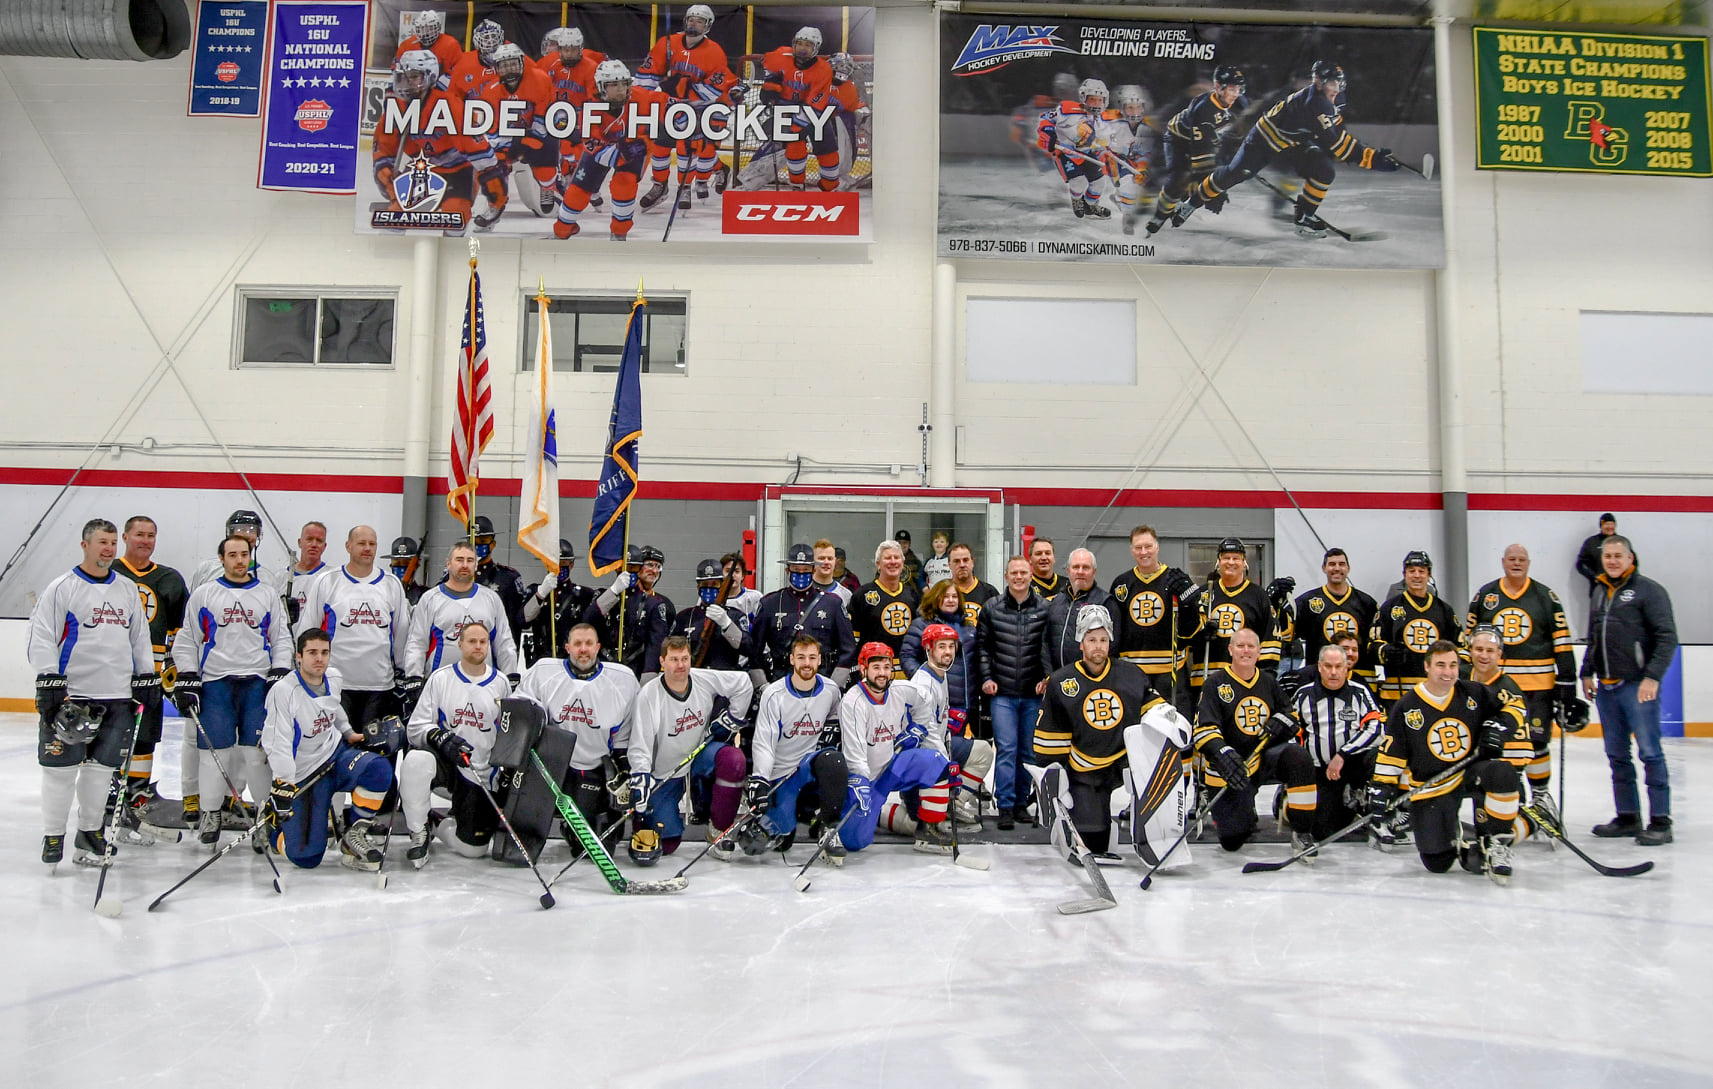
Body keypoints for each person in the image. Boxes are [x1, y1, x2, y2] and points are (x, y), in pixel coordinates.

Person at [28, 518, 157, 868]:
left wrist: (146, 677)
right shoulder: (63, 588)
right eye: (102, 542)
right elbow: (42, 636)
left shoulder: (127, 589)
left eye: (113, 542)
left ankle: (90, 834)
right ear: (84, 545)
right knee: (61, 770)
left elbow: (139, 637)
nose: (109, 549)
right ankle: (54, 835)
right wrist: (49, 680)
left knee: (101, 771)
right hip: (73, 695)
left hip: (117, 695)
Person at [1185, 61, 1401, 238]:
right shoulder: (1293, 100)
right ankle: (1193, 201)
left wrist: (1369, 154)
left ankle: (1298, 214)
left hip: (1291, 146)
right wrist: (1227, 149)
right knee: (1238, 173)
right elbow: (1246, 121)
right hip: (1264, 144)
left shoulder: (1329, 100)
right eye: (1305, 79)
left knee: (1319, 169)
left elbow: (1337, 136)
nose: (1333, 89)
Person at [172, 533, 295, 844]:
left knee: (257, 755)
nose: (240, 560)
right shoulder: (204, 594)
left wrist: (280, 671)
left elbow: (281, 638)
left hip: (257, 684)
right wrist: (188, 677)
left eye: (245, 554)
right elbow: (187, 639)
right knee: (216, 754)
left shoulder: (267, 594)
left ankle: (262, 817)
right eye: (233, 555)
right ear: (222, 559)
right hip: (216, 684)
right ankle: (210, 812)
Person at [1372, 641, 1530, 882]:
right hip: (1432, 785)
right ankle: (1456, 836)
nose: (1448, 672)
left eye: (1453, 665)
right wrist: (1382, 787)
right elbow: (1392, 753)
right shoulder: (1406, 706)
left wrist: (1500, 726)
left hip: (1470, 771)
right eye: (1441, 665)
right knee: (1437, 862)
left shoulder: (1474, 692)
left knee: (1502, 772)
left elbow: (1515, 703)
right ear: (1427, 667)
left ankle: (1497, 842)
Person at [1033, 606, 1165, 857]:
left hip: (1125, 762)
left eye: (1103, 640)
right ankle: (1073, 820)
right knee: (1095, 841)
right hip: (1085, 770)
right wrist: (1057, 780)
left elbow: (1155, 710)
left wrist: (1171, 718)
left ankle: (1157, 835)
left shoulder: (1131, 674)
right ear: (1081, 643)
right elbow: (1049, 739)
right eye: (1092, 640)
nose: (1098, 646)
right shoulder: (1062, 682)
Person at [259, 630, 394, 872]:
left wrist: (348, 732)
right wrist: (284, 784)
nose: (319, 659)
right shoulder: (284, 692)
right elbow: (277, 743)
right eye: (312, 653)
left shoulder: (333, 677)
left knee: (378, 767)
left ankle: (355, 836)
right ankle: (269, 828)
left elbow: (334, 706)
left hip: (335, 755)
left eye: (324, 652)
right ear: (298, 656)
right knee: (306, 857)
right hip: (303, 775)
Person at [1582, 535, 1677, 846]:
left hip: (1637, 687)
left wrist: (1652, 677)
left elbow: (1666, 637)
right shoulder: (1598, 591)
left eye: (1617, 555)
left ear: (1629, 557)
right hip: (1607, 689)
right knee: (1617, 755)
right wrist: (1586, 672)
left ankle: (1661, 821)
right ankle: (1628, 817)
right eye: (1607, 555)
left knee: (1650, 753)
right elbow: (1593, 637)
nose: (1611, 560)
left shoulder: (1649, 591)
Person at [1464, 544, 1577, 805]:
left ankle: (1540, 798)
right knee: (1498, 743)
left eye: (1521, 559)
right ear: (1503, 562)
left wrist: (1567, 680)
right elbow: (1467, 640)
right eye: (1512, 559)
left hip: (1537, 688)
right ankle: (1504, 793)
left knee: (1536, 744)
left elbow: (1562, 641)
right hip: (1494, 688)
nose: (1517, 563)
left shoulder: (1545, 597)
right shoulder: (1486, 595)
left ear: (1529, 563)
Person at [1192, 629, 1317, 858]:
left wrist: (1281, 722)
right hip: (1229, 770)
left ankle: (1302, 830)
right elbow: (1203, 731)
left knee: (1298, 757)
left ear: (1259, 652)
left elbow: (1292, 715)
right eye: (1240, 646)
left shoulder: (1268, 681)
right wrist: (1223, 755)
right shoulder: (1215, 683)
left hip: (1261, 760)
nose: (1246, 651)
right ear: (1230, 650)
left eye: (1251, 646)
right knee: (1233, 840)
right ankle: (1242, 809)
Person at [626, 636, 753, 864]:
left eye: (685, 658)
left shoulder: (701, 679)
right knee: (668, 845)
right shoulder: (649, 695)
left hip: (698, 758)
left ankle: (718, 830)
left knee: (733, 760)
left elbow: (743, 683)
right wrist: (640, 777)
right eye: (674, 660)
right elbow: (640, 745)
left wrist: (733, 718)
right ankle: (644, 818)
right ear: (662, 662)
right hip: (665, 775)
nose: (681, 665)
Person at [400, 622, 512, 868]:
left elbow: (509, 734)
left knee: (474, 850)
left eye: (483, 641)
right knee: (416, 760)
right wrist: (440, 737)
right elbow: (415, 728)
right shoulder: (441, 679)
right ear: (460, 644)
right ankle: (418, 832)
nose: (478, 646)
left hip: (480, 773)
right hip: (448, 766)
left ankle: (437, 824)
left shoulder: (501, 684)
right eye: (472, 641)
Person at [514, 623, 640, 836]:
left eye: (589, 643)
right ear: (567, 647)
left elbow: (627, 730)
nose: (583, 649)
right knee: (526, 831)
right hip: (552, 765)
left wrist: (624, 765)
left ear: (598, 647)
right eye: (578, 644)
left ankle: (573, 827)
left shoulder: (623, 680)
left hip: (593, 767)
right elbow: (520, 706)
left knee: (596, 841)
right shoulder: (544, 671)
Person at [837, 643, 957, 856]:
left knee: (937, 762)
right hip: (868, 779)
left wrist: (918, 728)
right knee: (855, 841)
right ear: (863, 669)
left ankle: (928, 829)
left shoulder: (901, 690)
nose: (883, 673)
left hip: (893, 765)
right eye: (876, 668)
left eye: (887, 667)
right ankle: (880, 812)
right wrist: (862, 786)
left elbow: (925, 701)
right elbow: (854, 755)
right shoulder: (853, 702)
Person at [375, 49, 504, 236]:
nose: (407, 83)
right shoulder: (397, 107)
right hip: (424, 168)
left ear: (430, 77)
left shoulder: (450, 105)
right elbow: (384, 149)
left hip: (460, 170)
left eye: (414, 77)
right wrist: (386, 176)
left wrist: (494, 187)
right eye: (403, 77)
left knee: (455, 217)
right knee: (394, 219)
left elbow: (479, 152)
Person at [743, 635, 848, 862]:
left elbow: (834, 715)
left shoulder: (831, 690)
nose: (806, 663)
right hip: (782, 772)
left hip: (810, 764)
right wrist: (761, 778)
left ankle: (829, 828)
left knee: (834, 760)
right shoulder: (774, 694)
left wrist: (832, 727)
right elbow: (764, 742)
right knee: (781, 839)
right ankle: (792, 817)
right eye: (801, 657)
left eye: (812, 657)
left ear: (820, 660)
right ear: (792, 659)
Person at [114, 514, 187, 836]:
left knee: (145, 739)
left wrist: (175, 669)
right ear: (126, 537)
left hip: (151, 678)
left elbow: (180, 632)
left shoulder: (170, 579)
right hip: (111, 676)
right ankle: (109, 798)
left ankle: (137, 795)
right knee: (112, 739)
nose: (145, 540)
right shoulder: (109, 574)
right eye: (139, 534)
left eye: (151, 535)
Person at [297, 525, 412, 727]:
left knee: (373, 753)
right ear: (348, 546)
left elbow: (402, 635)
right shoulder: (326, 581)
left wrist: (405, 673)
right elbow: (307, 632)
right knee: (336, 750)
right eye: (361, 543)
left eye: (372, 544)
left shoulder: (391, 584)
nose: (367, 548)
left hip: (380, 686)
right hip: (336, 684)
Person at [552, 59, 671, 240]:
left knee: (624, 184)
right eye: (613, 84)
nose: (621, 89)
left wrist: (685, 119)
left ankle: (619, 233)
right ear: (601, 86)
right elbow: (595, 149)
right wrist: (622, 153)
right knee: (578, 191)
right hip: (608, 151)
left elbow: (676, 107)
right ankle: (562, 229)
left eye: (624, 83)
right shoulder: (590, 110)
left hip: (636, 147)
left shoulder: (643, 97)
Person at [636, 4, 736, 212]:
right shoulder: (667, 43)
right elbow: (647, 76)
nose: (693, 23)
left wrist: (683, 88)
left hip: (699, 108)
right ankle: (660, 185)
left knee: (688, 148)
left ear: (707, 26)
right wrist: (654, 94)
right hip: (670, 105)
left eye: (699, 21)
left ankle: (685, 187)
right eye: (691, 19)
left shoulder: (715, 52)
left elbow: (713, 90)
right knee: (661, 146)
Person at [403, 541, 521, 713]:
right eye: (459, 560)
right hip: (440, 686)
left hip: (484, 686)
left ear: (475, 564)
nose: (465, 565)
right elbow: (417, 642)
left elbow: (504, 642)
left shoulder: (491, 599)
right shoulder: (430, 599)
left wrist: (510, 674)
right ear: (448, 563)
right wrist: (413, 675)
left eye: (470, 560)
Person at [897, 623, 994, 831]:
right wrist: (946, 765)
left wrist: (947, 724)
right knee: (917, 824)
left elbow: (938, 725)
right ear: (928, 648)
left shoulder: (941, 673)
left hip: (936, 751)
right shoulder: (923, 684)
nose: (948, 652)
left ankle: (954, 805)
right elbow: (926, 735)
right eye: (941, 646)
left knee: (983, 751)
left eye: (951, 646)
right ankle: (881, 814)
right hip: (920, 761)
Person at [978, 556, 1049, 830]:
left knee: (1028, 751)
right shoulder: (992, 608)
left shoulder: (1044, 608)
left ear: (1031, 576)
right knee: (1006, 749)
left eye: (1023, 573)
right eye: (1014, 573)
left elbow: (1048, 647)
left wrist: (1047, 678)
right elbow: (983, 648)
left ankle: (1021, 804)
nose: (1019, 577)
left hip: (1033, 693)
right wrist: (986, 677)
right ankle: (1005, 805)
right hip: (1003, 694)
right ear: (1006, 576)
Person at [1292, 643, 1386, 840]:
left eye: (1338, 666)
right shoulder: (1303, 695)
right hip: (1320, 771)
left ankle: (1376, 807)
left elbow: (1376, 728)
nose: (1333, 672)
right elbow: (1291, 732)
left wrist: (1343, 754)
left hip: (1352, 764)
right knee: (1322, 831)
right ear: (1319, 667)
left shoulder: (1360, 692)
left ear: (1346, 667)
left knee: (1382, 756)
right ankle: (1348, 805)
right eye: (1328, 666)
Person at [1109, 524, 1203, 711]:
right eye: (1138, 548)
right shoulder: (1122, 584)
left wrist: (1188, 605)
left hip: (1171, 673)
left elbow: (1191, 632)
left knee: (1175, 733)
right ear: (1131, 550)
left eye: (1148, 546)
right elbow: (1115, 631)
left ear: (1157, 547)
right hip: (1133, 674)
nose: (1144, 552)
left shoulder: (1176, 580)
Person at [1145, 66, 1247, 235]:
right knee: (1180, 177)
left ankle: (1188, 201)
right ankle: (1160, 215)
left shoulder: (1240, 105)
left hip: (1208, 141)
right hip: (1179, 139)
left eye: (1239, 89)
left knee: (1216, 174)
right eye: (1231, 89)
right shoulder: (1204, 109)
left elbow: (1236, 136)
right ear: (1218, 87)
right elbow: (1202, 162)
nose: (1235, 94)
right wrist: (1215, 190)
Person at [745, 543, 855, 686]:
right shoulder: (770, 603)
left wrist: (834, 685)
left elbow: (848, 648)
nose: (801, 574)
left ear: (813, 570)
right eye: (796, 570)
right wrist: (763, 685)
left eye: (806, 570)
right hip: (781, 681)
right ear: (787, 571)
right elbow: (755, 649)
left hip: (822, 680)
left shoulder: (832, 604)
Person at [757, 27, 848, 192]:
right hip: (786, 109)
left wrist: (793, 125)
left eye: (808, 45)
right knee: (794, 146)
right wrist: (771, 82)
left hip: (815, 112)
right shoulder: (781, 56)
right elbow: (768, 63)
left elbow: (815, 103)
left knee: (827, 149)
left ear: (816, 48)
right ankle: (797, 185)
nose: (802, 48)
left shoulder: (823, 69)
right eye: (799, 43)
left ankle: (830, 186)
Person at [1192, 539, 1283, 702]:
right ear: (1218, 562)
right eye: (1226, 557)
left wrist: (1264, 679)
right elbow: (1186, 635)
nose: (1231, 562)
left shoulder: (1258, 596)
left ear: (1244, 562)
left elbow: (1271, 640)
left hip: (1245, 680)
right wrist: (1200, 634)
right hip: (1206, 678)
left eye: (1236, 558)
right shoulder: (1204, 594)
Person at [1370, 550, 1463, 706]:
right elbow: (1372, 642)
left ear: (1429, 575)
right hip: (1396, 692)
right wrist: (1385, 651)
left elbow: (1461, 648)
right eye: (1411, 571)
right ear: (1404, 574)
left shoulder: (1444, 610)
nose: (1417, 575)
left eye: (1421, 571)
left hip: (1436, 691)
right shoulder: (1389, 607)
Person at [583, 544, 675, 677]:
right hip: (601, 668)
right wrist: (613, 591)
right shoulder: (604, 596)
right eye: (626, 567)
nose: (629, 572)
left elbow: (655, 645)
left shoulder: (654, 604)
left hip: (633, 671)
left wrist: (648, 677)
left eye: (634, 568)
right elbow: (587, 622)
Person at [1293, 547, 1379, 685]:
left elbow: (1375, 643)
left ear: (1348, 568)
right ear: (1324, 568)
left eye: (1341, 564)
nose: (1337, 568)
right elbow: (1288, 634)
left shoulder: (1367, 603)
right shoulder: (1307, 602)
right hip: (1319, 678)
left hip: (1359, 677)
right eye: (1332, 564)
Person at [901, 581, 981, 727]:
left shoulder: (968, 628)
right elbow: (907, 656)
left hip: (967, 704)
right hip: (935, 703)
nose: (951, 600)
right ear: (935, 598)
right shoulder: (921, 624)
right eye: (945, 596)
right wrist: (926, 682)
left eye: (954, 596)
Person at [1035, 78, 1117, 220]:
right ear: (1083, 98)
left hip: (1087, 152)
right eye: (1092, 99)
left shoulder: (1104, 119)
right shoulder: (1067, 109)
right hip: (1066, 153)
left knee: (1099, 182)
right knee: (1077, 180)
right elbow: (1046, 118)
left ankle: (1090, 205)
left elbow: (1109, 139)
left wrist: (1109, 148)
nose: (1096, 104)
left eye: (1100, 100)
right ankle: (1077, 199)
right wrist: (1048, 133)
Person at [523, 539, 598, 665]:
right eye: (554, 563)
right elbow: (522, 621)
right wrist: (541, 593)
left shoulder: (584, 595)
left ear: (571, 564)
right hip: (541, 659)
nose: (558, 568)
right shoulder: (535, 591)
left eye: (563, 563)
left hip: (571, 661)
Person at [1042, 548, 1116, 674]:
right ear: (1068, 570)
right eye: (1076, 567)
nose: (1080, 572)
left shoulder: (1106, 603)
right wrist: (1049, 675)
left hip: (1089, 681)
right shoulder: (1055, 602)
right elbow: (1045, 642)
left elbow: (1113, 647)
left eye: (1086, 567)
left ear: (1094, 571)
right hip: (1057, 679)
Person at [850, 540, 920, 668]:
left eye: (896, 558)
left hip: (906, 671)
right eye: (887, 558)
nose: (893, 562)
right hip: (873, 671)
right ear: (878, 564)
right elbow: (852, 639)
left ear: (902, 563)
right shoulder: (862, 595)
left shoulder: (913, 595)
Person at [668, 558, 746, 670]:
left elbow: (747, 648)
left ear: (722, 586)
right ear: (698, 587)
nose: (709, 588)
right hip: (694, 677)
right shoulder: (684, 617)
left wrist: (727, 624)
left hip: (724, 679)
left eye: (714, 584)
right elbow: (671, 649)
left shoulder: (735, 616)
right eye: (705, 584)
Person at [190, 509, 285, 599]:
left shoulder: (267, 578)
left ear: (258, 536)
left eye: (252, 530)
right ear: (230, 533)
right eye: (241, 529)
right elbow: (192, 606)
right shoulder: (207, 569)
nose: (246, 535)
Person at [470, 516, 529, 648]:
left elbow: (519, 619)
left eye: (483, 541)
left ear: (493, 544)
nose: (479, 546)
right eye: (475, 542)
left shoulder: (509, 578)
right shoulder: (456, 577)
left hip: (498, 648)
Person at [1576, 514, 1634, 594]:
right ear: (1601, 525)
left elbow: (1633, 563)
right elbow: (1581, 564)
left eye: (1612, 524)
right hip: (1599, 587)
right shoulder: (1592, 542)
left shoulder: (1622, 542)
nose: (1609, 527)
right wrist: (1594, 577)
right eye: (1607, 524)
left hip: (1622, 587)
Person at [286, 521, 330, 623]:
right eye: (309, 539)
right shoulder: (280, 578)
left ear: (324, 546)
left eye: (319, 540)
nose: (314, 544)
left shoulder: (331, 578)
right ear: (300, 542)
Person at [947, 542, 998, 625]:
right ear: (949, 565)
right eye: (956, 561)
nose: (962, 565)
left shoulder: (990, 592)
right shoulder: (941, 593)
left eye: (965, 560)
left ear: (972, 562)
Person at [720, 551, 765, 625]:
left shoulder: (755, 597)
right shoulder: (713, 597)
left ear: (743, 575)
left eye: (736, 571)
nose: (732, 575)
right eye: (728, 571)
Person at [811, 538, 853, 607]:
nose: (826, 562)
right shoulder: (803, 591)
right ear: (813, 561)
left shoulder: (846, 595)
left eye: (830, 558)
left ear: (835, 561)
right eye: (821, 558)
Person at [387, 535, 427, 607]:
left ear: (416, 567)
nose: (402, 569)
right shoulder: (383, 592)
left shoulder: (425, 595)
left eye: (407, 565)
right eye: (398, 564)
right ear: (391, 566)